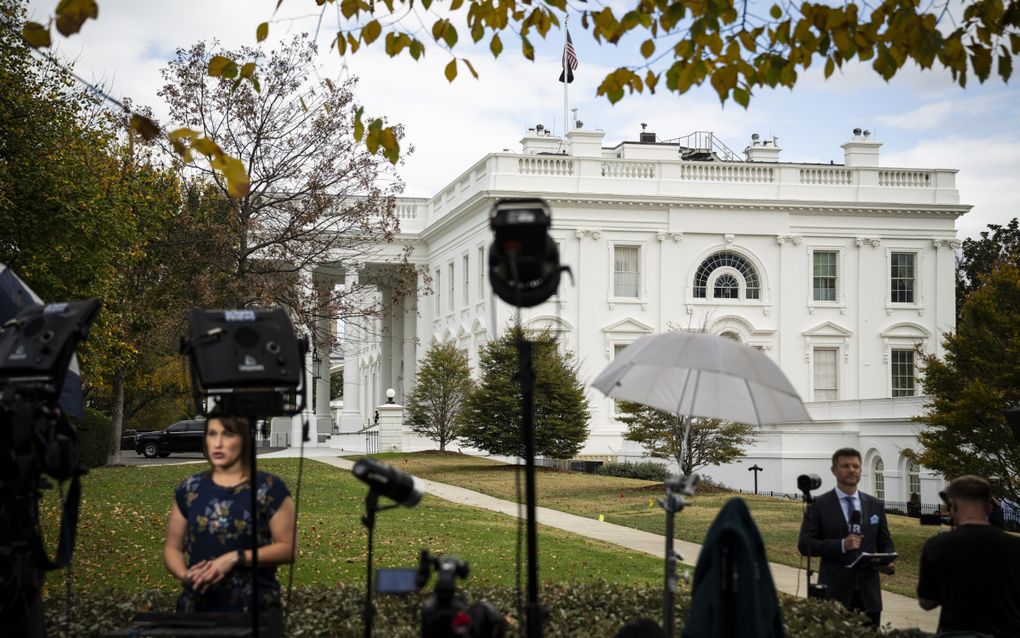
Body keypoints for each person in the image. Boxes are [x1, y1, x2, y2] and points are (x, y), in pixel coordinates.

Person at [163, 415, 296, 612]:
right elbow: (173, 548)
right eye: (212, 434)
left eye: (227, 434)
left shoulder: (270, 489)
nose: (217, 443)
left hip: (254, 611)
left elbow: (289, 549)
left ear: (245, 439)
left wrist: (236, 557)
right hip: (196, 609)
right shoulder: (189, 490)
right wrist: (185, 575)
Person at [797, 447, 895, 628]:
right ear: (834, 470)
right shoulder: (819, 505)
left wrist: (887, 562)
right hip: (834, 594)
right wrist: (841, 545)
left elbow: (885, 543)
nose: (851, 470)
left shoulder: (875, 505)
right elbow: (805, 544)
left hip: (869, 596)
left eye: (855, 466)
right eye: (845, 466)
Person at [917, 475, 1020, 637]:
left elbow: (926, 602)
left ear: (953, 506)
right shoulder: (1015, 547)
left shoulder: (937, 546)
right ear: (989, 508)